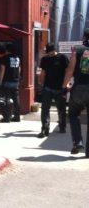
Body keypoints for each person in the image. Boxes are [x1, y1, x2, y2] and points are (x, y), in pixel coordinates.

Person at [63, 28, 89, 156]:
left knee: (73, 114)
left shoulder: (78, 50)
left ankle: (78, 142)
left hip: (79, 88)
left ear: (84, 37)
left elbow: (70, 70)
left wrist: (64, 86)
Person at [37, 43, 69, 138]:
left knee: (61, 109)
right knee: (45, 109)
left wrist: (66, 84)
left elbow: (68, 72)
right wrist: (41, 83)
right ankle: (45, 129)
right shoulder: (45, 59)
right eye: (48, 52)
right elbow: (43, 72)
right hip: (48, 88)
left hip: (60, 88)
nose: (49, 53)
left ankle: (62, 126)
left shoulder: (63, 58)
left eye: (51, 52)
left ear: (55, 50)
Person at [0, 44, 21, 123]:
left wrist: (0, 81)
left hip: (7, 80)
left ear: (7, 50)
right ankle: (17, 116)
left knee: (6, 99)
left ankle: (7, 117)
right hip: (16, 81)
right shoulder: (17, 58)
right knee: (16, 99)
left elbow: (2, 70)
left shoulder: (5, 58)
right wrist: (18, 78)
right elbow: (19, 69)